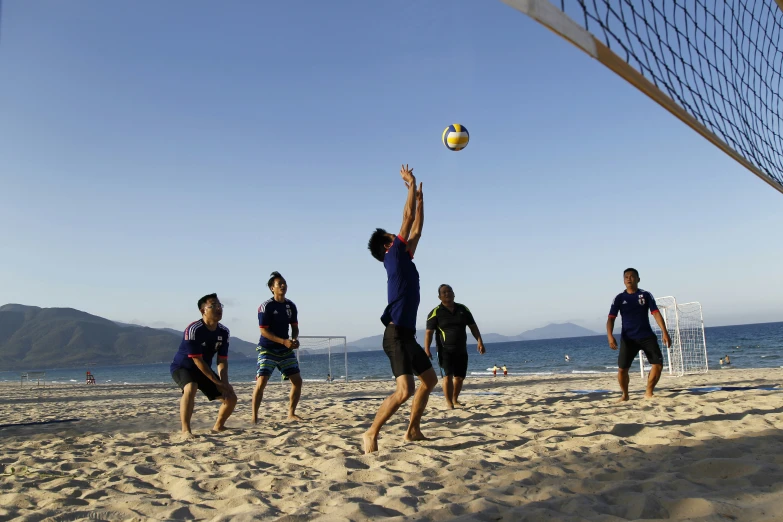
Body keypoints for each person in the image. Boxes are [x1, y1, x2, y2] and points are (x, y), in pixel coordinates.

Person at [363, 164, 437, 454]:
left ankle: (413, 430)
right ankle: (371, 433)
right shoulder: (393, 254)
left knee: (429, 380)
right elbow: (406, 220)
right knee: (404, 390)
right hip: (394, 335)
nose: (401, 237)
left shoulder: (403, 257)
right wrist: (410, 185)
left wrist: (420, 201)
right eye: (394, 236)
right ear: (387, 244)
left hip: (407, 336)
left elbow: (416, 227)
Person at [170, 294, 237, 436]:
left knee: (231, 398)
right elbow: (197, 360)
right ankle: (186, 430)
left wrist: (224, 383)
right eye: (213, 306)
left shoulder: (224, 332)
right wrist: (216, 382)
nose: (218, 308)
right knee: (191, 387)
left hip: (204, 370)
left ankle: (218, 426)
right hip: (184, 367)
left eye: (220, 305)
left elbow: (222, 360)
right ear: (203, 311)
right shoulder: (194, 329)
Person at [607, 268, 671, 401]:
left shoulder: (646, 295)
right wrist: (610, 335)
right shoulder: (619, 298)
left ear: (638, 279)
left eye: (632, 276)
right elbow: (611, 318)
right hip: (628, 338)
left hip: (646, 335)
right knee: (622, 370)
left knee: (658, 365)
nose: (629, 278)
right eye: (626, 277)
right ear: (624, 281)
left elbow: (656, 313)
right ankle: (625, 395)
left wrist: (665, 332)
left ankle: (649, 392)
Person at [251, 272, 303, 424]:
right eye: (279, 283)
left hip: (285, 349)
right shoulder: (266, 306)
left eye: (284, 282)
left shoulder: (290, 305)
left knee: (297, 381)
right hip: (267, 349)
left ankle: (291, 413)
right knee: (262, 382)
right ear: (271, 288)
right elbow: (263, 331)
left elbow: (294, 327)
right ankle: (254, 417)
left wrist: (294, 339)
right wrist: (283, 341)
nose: (283, 285)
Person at [424, 284, 486, 409]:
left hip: (461, 349)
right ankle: (449, 403)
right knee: (447, 376)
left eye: (449, 291)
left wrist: (479, 341)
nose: (447, 293)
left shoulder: (463, 309)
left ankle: (455, 399)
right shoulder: (435, 312)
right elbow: (429, 333)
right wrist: (427, 349)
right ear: (439, 296)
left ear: (454, 293)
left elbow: (473, 326)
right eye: (444, 292)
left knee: (459, 377)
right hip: (444, 350)